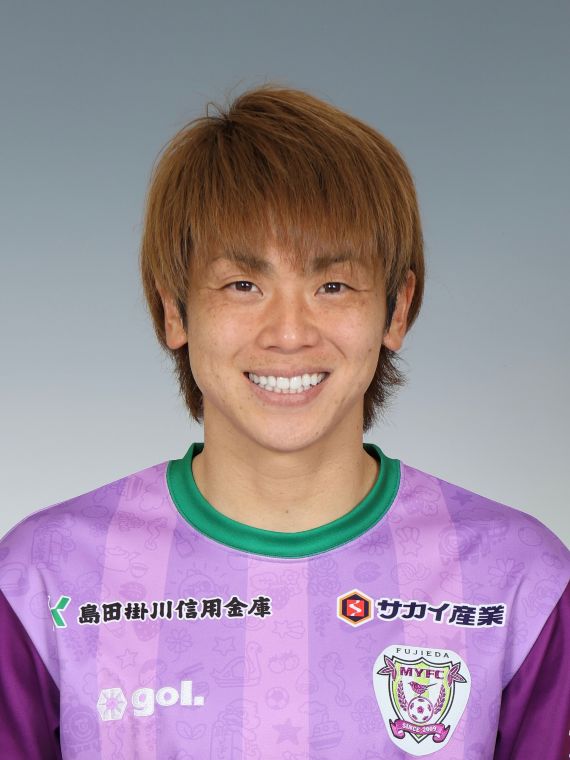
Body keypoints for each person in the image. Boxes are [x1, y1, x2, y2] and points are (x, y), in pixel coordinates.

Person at [0, 84, 568, 760]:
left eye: (333, 285)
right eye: (243, 285)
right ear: (175, 309)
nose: (290, 333)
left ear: (396, 310)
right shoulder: (39, 582)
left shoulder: (523, 583)